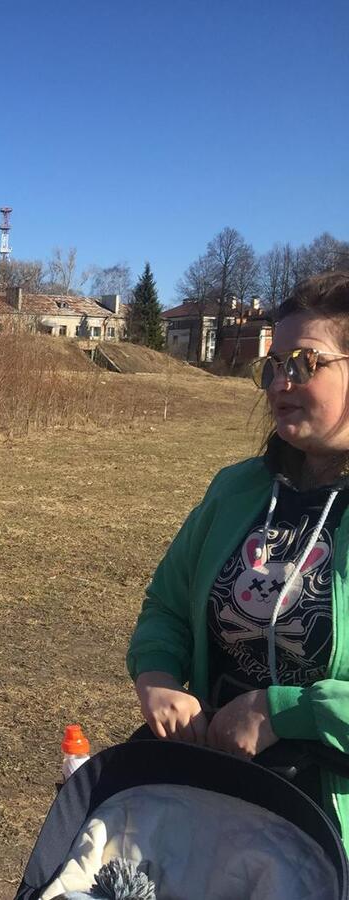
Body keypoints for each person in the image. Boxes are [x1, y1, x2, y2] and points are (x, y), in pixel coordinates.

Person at [128, 270, 349, 843]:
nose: (279, 383)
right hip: (214, 792)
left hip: (326, 826)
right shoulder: (236, 490)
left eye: (303, 362)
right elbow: (167, 607)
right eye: (272, 366)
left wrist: (280, 711)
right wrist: (156, 678)